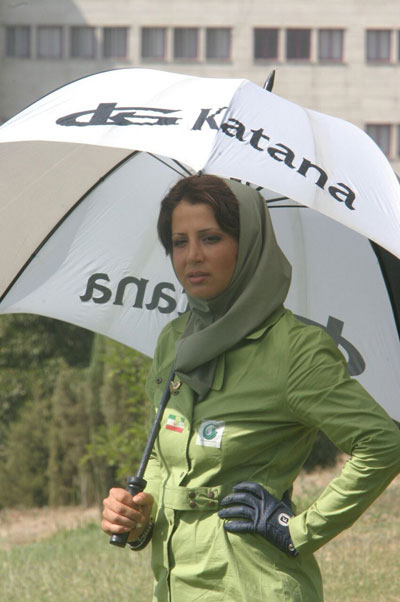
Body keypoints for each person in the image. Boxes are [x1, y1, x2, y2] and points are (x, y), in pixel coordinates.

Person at [102, 175, 400, 601]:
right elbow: (161, 459)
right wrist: (137, 516)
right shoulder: (175, 340)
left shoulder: (296, 350)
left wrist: (298, 531)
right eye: (179, 242)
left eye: (211, 238)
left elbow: (383, 443)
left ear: (248, 247)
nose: (192, 256)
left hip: (254, 586)